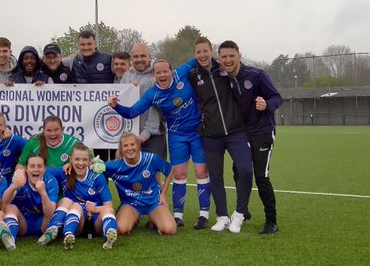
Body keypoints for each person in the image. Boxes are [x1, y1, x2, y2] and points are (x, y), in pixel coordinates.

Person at [108, 58, 212, 229]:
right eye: (158, 72)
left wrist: (217, 65)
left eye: (165, 71)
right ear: (154, 74)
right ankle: (178, 216)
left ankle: (203, 216)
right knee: (179, 174)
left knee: (201, 172)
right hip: (177, 135)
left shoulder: (182, 71)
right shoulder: (153, 93)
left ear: (171, 71)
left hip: (197, 132)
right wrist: (116, 107)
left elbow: (200, 58)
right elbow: (133, 112)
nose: (162, 75)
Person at [189, 38, 253, 232]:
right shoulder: (193, 75)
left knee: (246, 170)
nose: (202, 55)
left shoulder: (225, 69)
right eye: (198, 52)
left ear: (211, 52)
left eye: (205, 51)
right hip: (210, 134)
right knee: (216, 177)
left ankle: (239, 214)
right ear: (194, 55)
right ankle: (222, 216)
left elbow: (245, 77)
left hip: (236, 131)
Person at [219, 40, 282, 234]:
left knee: (261, 177)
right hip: (242, 134)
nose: (228, 60)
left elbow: (277, 98)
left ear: (239, 56)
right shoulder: (224, 78)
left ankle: (271, 221)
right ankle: (243, 210)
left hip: (262, 133)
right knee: (239, 172)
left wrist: (266, 104)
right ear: (220, 59)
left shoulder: (256, 75)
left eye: (232, 56)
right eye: (224, 57)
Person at [37, 143, 118, 250]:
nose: (80, 163)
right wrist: (64, 166)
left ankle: (110, 236)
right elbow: (43, 170)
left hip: (96, 221)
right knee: (72, 204)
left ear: (89, 161)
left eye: (84, 160)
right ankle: (62, 233)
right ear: (71, 159)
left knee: (109, 211)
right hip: (78, 221)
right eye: (77, 159)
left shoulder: (97, 177)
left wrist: (95, 209)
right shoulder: (65, 172)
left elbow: (109, 206)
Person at [99, 131, 176, 235]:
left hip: (153, 202)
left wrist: (163, 194)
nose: (130, 148)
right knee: (120, 229)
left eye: (132, 144)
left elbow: (170, 169)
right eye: (125, 146)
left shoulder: (150, 159)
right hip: (131, 204)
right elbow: (95, 167)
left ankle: (154, 220)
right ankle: (133, 219)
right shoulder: (115, 166)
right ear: (121, 149)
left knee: (170, 230)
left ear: (138, 145)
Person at [0, 153, 59, 251]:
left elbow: (50, 213)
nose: (36, 169)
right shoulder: (20, 179)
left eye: (40, 166)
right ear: (26, 169)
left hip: (42, 223)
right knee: (10, 207)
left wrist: (43, 193)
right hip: (22, 223)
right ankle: (10, 240)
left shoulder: (50, 181)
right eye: (32, 166)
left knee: (54, 212)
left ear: (44, 169)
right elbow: (4, 204)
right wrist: (13, 187)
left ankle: (47, 236)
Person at [120, 43, 167, 158]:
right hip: (130, 137)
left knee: (152, 173)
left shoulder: (156, 77)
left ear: (149, 57)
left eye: (143, 56)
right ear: (131, 59)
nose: (139, 59)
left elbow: (156, 108)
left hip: (152, 136)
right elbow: (120, 99)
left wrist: (146, 133)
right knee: (131, 173)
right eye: (136, 57)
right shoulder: (127, 76)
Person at [16, 116, 85, 171]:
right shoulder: (33, 142)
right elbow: (20, 165)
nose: (52, 134)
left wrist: (73, 164)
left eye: (56, 130)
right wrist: (20, 175)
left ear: (62, 129)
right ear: (43, 131)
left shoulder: (73, 143)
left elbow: (90, 161)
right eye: (49, 130)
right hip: (39, 182)